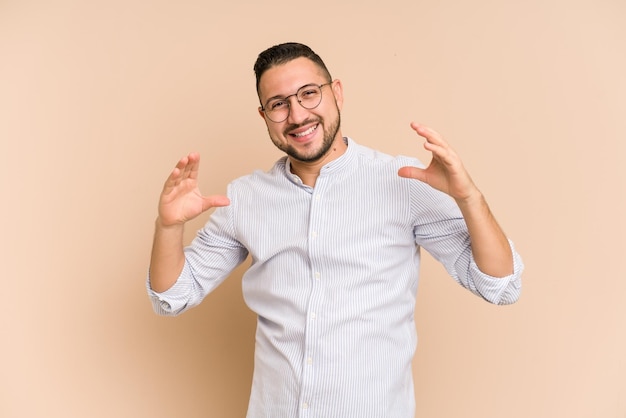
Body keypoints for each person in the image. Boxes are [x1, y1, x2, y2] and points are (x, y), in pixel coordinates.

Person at [147, 42, 524, 418]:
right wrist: (168, 226)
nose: (297, 115)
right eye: (279, 104)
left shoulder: (403, 181)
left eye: (309, 94)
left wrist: (469, 197)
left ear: (337, 93)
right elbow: (173, 295)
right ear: (264, 116)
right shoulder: (244, 198)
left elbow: (500, 284)